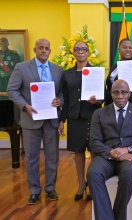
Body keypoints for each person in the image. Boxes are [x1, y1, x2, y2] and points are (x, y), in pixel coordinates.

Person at [7, 38, 63, 204]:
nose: (44, 50)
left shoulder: (58, 70)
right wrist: (25, 106)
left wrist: (60, 101)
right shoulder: (22, 68)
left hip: (51, 120)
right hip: (31, 120)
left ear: (50, 51)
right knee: (31, 157)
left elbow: (62, 93)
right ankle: (34, 190)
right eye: (41, 48)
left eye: (47, 48)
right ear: (35, 49)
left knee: (52, 156)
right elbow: (12, 90)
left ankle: (50, 188)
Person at [87, 80, 132, 220]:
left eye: (124, 92)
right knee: (93, 173)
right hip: (105, 156)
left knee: (129, 172)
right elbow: (94, 142)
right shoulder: (99, 113)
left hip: (130, 156)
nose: (120, 96)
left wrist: (128, 150)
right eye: (116, 92)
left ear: (129, 94)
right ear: (111, 94)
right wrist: (116, 154)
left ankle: (118, 216)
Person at [58, 41, 101, 201]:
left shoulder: (95, 72)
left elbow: (102, 96)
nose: (80, 51)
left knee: (94, 151)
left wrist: (96, 101)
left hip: (92, 115)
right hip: (74, 116)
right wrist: (62, 120)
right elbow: (66, 98)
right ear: (73, 53)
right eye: (77, 49)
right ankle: (81, 184)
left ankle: (92, 182)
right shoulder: (67, 74)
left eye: (84, 49)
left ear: (88, 53)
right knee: (78, 151)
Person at [104, 38, 132, 109]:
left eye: (130, 47)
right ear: (119, 50)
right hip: (115, 106)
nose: (128, 49)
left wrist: (125, 98)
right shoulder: (114, 66)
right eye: (124, 47)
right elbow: (110, 87)